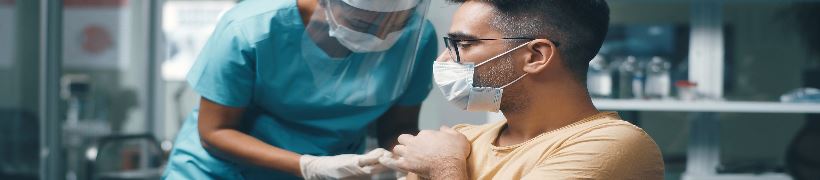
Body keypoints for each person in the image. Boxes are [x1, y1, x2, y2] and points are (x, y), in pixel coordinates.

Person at [379, 0, 665, 179]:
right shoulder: (463, 139)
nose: (444, 60)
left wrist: (443, 167)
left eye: (464, 44)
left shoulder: (615, 146)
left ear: (536, 56)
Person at [162, 0, 438, 179]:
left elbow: (398, 126)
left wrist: (409, 165)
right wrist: (310, 166)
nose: (379, 35)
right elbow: (215, 131)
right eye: (362, 23)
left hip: (336, 169)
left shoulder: (417, 38)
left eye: (393, 24)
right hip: (222, 172)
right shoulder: (250, 28)